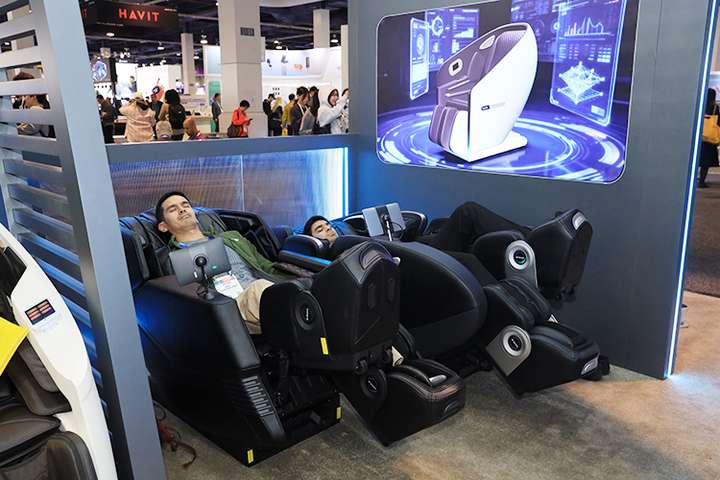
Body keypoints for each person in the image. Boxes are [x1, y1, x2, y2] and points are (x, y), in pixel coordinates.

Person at [155, 192, 290, 334]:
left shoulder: (232, 237)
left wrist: (294, 278)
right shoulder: (171, 258)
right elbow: (187, 303)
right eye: (173, 209)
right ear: (163, 226)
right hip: (229, 310)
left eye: (185, 205)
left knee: (286, 288)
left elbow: (266, 266)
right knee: (261, 289)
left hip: (263, 297)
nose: (182, 210)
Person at [699, 87, 719, 188]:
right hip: (709, 138)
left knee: (698, 159)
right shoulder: (715, 108)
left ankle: (695, 179)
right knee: (705, 162)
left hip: (700, 137)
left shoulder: (700, 105)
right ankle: (702, 181)